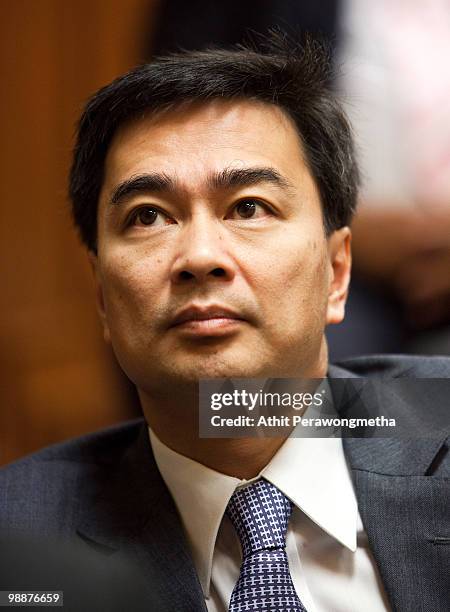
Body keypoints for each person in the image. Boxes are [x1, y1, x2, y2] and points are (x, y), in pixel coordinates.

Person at [0, 35, 448, 612]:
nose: (200, 256)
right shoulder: (20, 545)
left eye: (248, 207)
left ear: (336, 273)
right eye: (149, 217)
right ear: (103, 298)